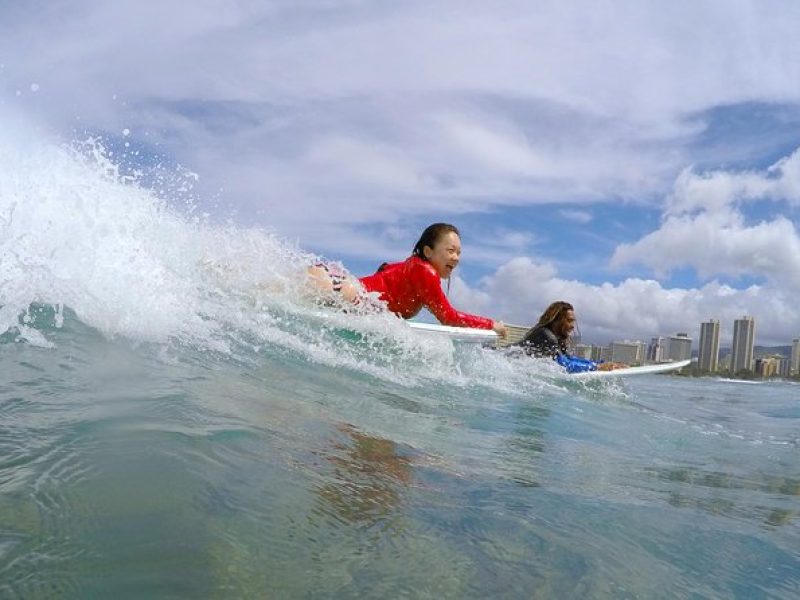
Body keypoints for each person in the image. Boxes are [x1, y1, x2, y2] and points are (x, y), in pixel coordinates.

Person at [308, 223, 507, 337]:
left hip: (339, 283)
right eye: (450, 251)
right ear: (428, 251)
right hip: (347, 294)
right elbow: (449, 317)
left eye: (459, 252)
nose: (456, 257)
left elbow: (384, 269)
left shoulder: (413, 266)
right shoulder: (426, 272)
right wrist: (491, 324)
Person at [517, 301, 622, 373]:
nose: (572, 326)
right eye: (569, 320)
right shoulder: (545, 335)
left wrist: (602, 363)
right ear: (556, 321)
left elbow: (568, 359)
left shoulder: (557, 338)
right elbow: (564, 365)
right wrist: (597, 367)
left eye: (573, 321)